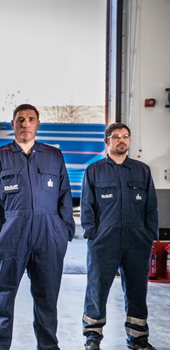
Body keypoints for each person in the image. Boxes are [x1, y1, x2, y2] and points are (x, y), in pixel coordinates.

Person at [0, 104, 75, 350]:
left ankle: (48, 347)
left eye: (31, 119)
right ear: (13, 124)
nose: (26, 124)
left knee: (47, 298)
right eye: (21, 119)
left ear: (38, 124)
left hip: (48, 235)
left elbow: (65, 195)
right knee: (2, 296)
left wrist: (63, 230)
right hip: (9, 235)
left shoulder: (53, 156)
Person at [81, 122, 158, 350]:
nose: (122, 140)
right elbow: (87, 206)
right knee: (97, 287)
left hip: (136, 240)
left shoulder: (142, 170)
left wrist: (148, 236)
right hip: (104, 240)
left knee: (137, 288)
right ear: (107, 142)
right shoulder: (94, 171)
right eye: (116, 137)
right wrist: (92, 233)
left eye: (126, 136)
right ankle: (92, 337)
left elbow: (151, 207)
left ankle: (138, 338)